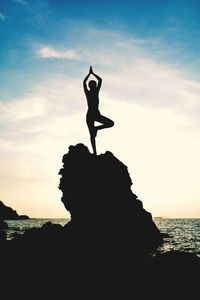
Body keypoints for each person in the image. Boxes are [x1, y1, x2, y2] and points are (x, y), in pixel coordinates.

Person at [83, 66, 114, 155]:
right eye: (92, 85)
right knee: (92, 135)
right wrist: (90, 74)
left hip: (96, 114)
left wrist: (91, 74)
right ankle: (95, 152)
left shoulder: (96, 91)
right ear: (90, 86)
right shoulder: (88, 93)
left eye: (94, 85)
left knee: (111, 123)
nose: (93, 86)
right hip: (90, 115)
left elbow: (100, 80)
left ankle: (96, 128)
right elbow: (84, 82)